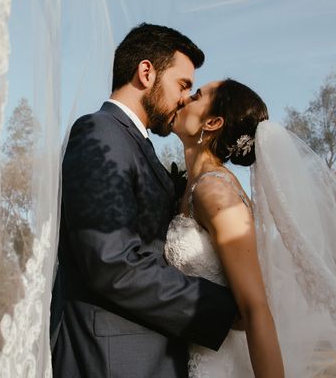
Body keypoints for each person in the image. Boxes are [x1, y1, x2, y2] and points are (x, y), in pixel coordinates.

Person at [167, 79, 336, 377]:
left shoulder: (215, 193)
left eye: (196, 95)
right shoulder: (191, 188)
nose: (184, 98)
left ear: (212, 122)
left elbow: (256, 309)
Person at [50, 24, 239, 378]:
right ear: (146, 72)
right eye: (182, 85)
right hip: (112, 360)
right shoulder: (100, 131)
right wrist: (222, 309)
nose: (186, 97)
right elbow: (111, 261)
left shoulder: (136, 144)